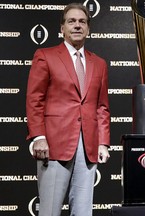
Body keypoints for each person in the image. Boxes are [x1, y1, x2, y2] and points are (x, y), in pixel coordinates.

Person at [26, 3, 110, 216]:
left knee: (83, 212)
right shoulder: (45, 55)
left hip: (88, 147)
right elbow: (35, 99)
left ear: (88, 29)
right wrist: (38, 136)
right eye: (71, 21)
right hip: (54, 144)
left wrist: (103, 143)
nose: (77, 25)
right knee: (50, 211)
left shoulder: (99, 63)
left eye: (82, 21)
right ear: (62, 28)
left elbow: (101, 107)